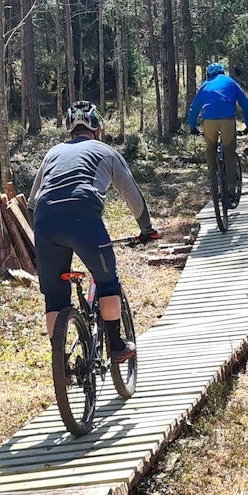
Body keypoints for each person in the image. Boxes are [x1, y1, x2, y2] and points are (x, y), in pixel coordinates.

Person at [28, 100, 157, 364]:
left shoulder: (52, 153)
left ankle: (59, 362)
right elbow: (132, 196)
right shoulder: (105, 151)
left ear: (69, 129)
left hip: (44, 221)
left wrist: (42, 237)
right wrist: (146, 229)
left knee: (55, 296)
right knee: (107, 280)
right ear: (97, 127)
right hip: (83, 218)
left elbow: (32, 203)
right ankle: (117, 346)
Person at [187, 62, 248, 208]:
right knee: (229, 154)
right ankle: (231, 189)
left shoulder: (205, 85)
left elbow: (194, 108)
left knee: (210, 149)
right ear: (222, 73)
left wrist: (192, 126)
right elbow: (246, 104)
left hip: (209, 121)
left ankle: (214, 180)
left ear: (209, 75)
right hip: (227, 120)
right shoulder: (230, 82)